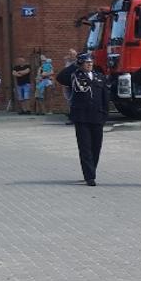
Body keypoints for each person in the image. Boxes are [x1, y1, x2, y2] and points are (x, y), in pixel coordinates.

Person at [59, 52, 109, 186]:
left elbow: (105, 96)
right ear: (80, 64)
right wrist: (74, 65)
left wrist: (105, 114)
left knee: (96, 147)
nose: (89, 64)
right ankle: (89, 176)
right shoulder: (74, 76)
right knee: (85, 147)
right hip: (82, 117)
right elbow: (60, 78)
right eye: (86, 62)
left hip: (97, 116)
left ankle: (92, 169)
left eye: (91, 62)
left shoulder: (99, 77)